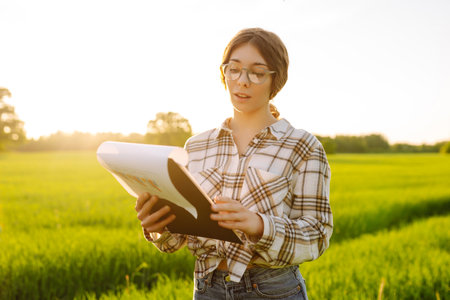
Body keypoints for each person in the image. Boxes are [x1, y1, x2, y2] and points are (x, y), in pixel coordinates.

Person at [135, 27, 333, 300]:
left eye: (257, 72)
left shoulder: (302, 146)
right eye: (234, 69)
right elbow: (177, 240)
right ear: (223, 73)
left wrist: (259, 225)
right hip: (207, 288)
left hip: (272, 289)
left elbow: (318, 234)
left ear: (276, 80)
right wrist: (159, 227)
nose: (242, 81)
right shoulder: (196, 146)